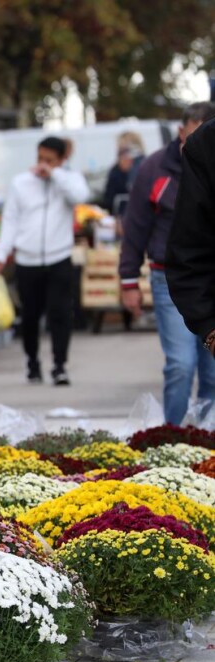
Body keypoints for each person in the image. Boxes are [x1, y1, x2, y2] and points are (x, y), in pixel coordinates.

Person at [120, 103, 215, 425]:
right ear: (181, 131)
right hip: (166, 274)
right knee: (180, 364)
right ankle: (173, 433)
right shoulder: (155, 168)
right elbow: (135, 226)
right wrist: (128, 279)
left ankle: (206, 437)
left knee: (211, 371)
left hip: (208, 273)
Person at [0, 136, 89, 387]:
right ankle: (32, 361)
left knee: (61, 314)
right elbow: (10, 220)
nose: (43, 165)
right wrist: (1, 254)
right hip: (27, 260)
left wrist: (55, 175)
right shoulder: (21, 183)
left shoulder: (68, 180)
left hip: (59, 257)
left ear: (62, 160)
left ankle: (59, 366)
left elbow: (80, 196)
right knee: (30, 315)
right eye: (40, 158)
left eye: (50, 160)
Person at [101, 131, 146, 215]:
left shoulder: (146, 167)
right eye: (120, 152)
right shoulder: (116, 172)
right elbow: (108, 201)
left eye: (124, 152)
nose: (121, 156)